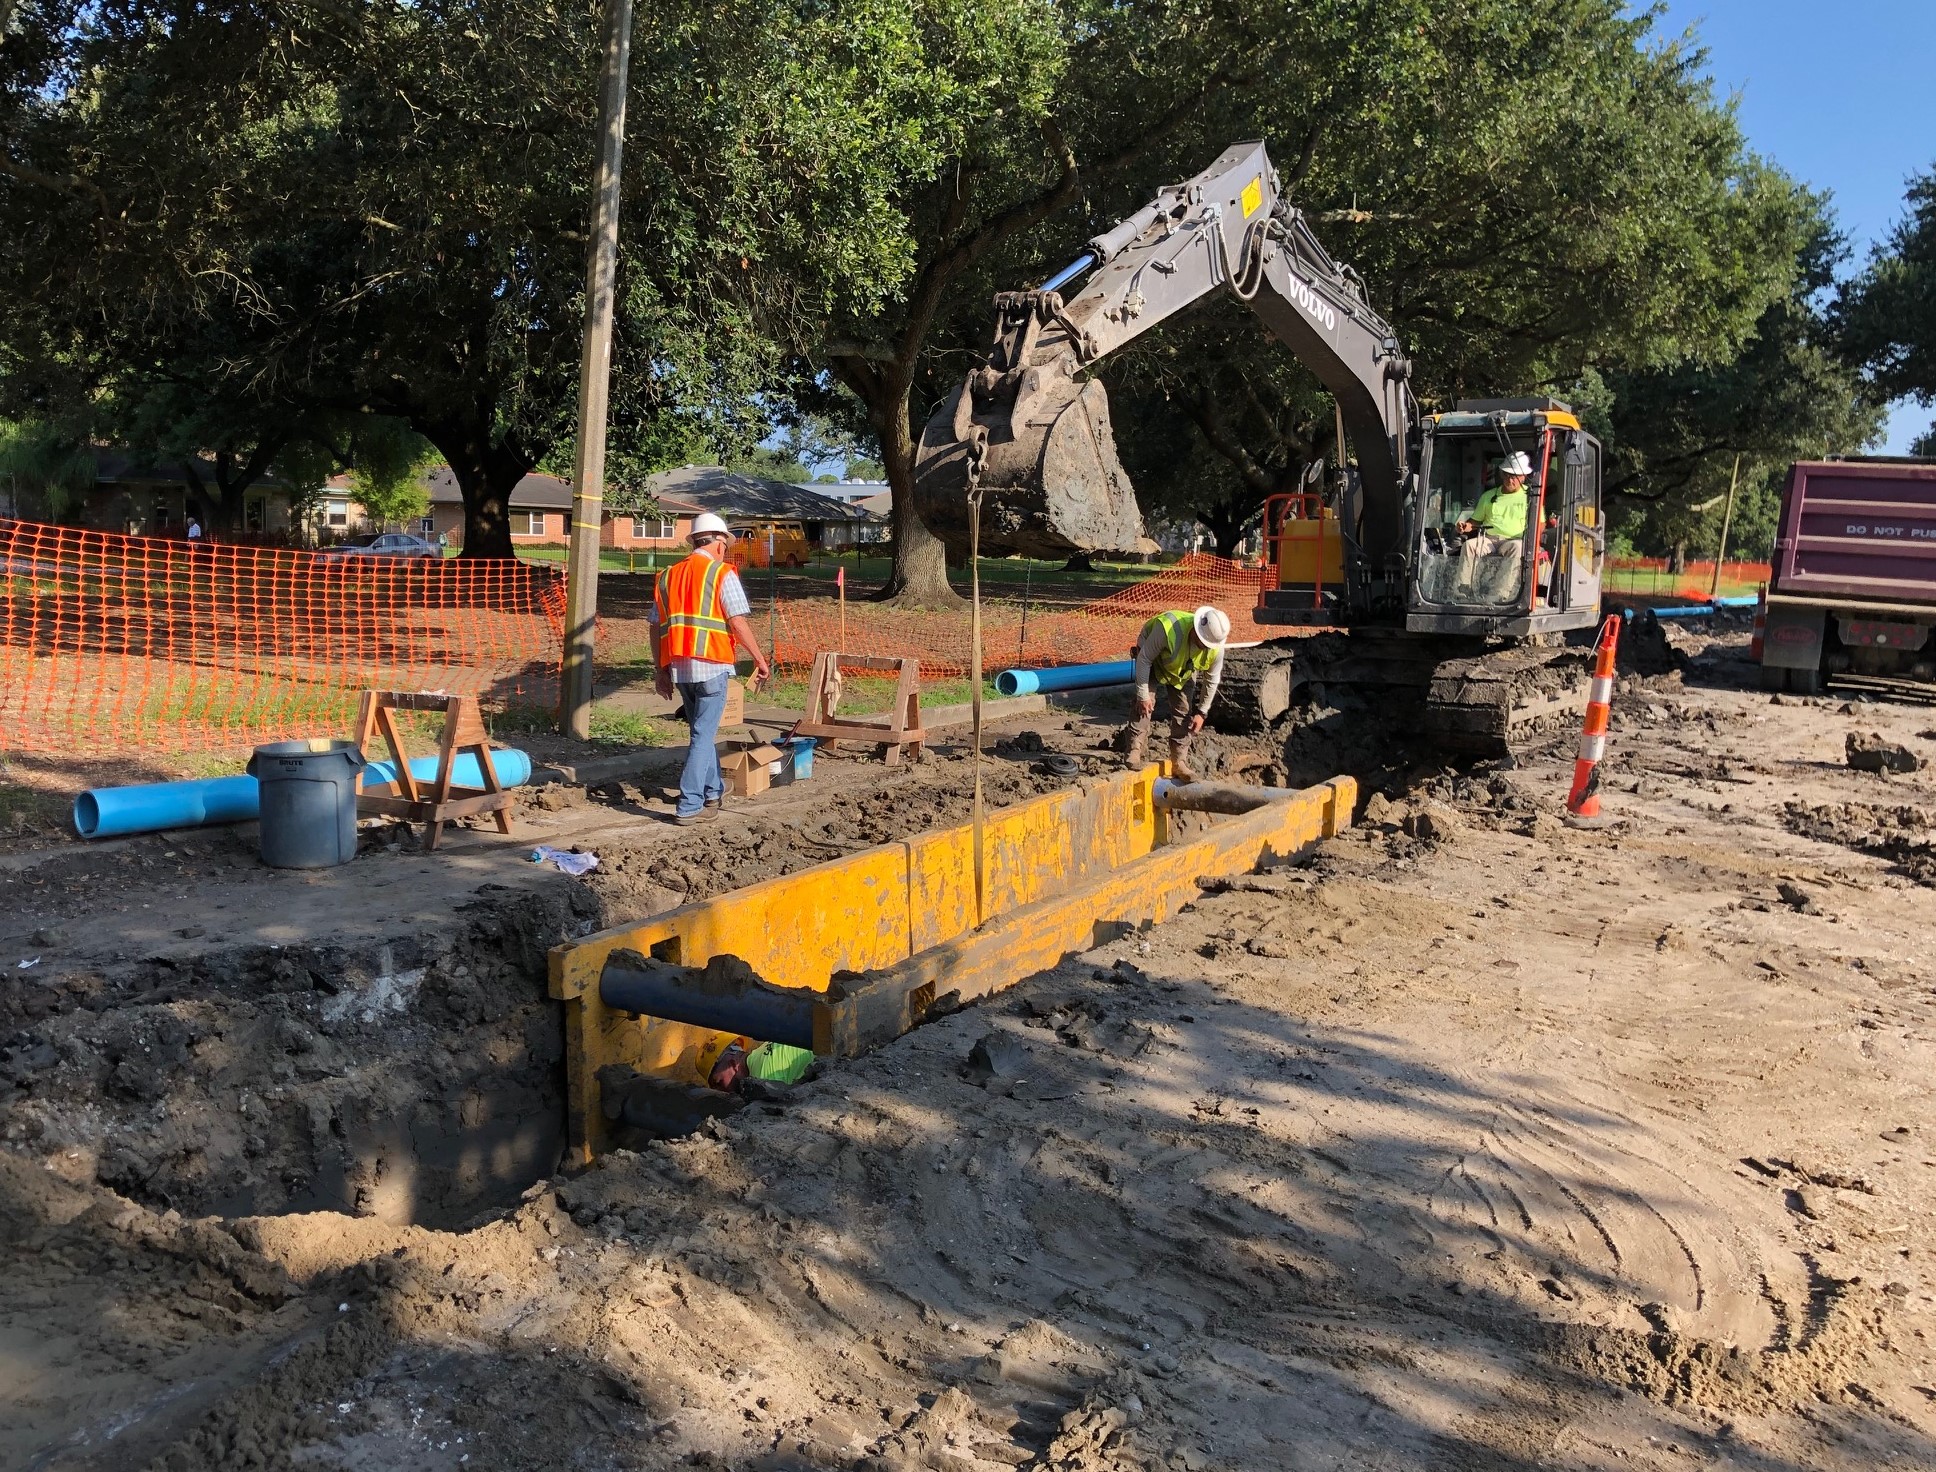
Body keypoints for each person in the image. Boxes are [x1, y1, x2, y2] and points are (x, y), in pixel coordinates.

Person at [648, 513, 772, 825]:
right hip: (713, 666)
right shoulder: (721, 573)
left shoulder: (667, 576)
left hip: (681, 669)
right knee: (702, 737)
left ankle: (713, 791)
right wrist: (759, 659)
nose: (726, 550)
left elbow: (654, 626)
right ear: (717, 542)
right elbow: (738, 623)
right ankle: (689, 805)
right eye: (725, 544)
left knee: (701, 733)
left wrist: (660, 670)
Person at [1124, 604, 1231, 782]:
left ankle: (1179, 761)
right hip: (1153, 659)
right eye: (1203, 643)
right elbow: (1144, 659)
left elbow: (1212, 680)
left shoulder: (1216, 647)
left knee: (1184, 712)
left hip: (1181, 670)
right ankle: (1134, 750)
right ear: (1196, 631)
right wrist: (1143, 695)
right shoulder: (1168, 628)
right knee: (1145, 704)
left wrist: (1202, 713)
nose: (1205, 647)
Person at [1456, 451, 1531, 594]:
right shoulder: (1488, 496)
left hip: (1515, 540)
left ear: (1523, 477)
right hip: (1489, 540)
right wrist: (1464, 526)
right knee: (1469, 545)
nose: (1510, 480)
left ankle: (1500, 594)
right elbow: (1474, 522)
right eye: (1507, 475)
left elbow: (1540, 524)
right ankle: (1463, 590)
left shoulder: (1531, 496)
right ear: (1502, 474)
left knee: (1518, 548)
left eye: (1515, 477)